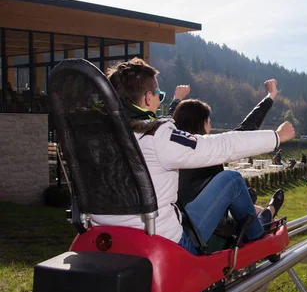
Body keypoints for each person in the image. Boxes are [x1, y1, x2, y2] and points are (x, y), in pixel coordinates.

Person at [89, 58, 295, 255]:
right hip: (164, 242)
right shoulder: (158, 137)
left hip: (108, 237)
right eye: (159, 95)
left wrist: (176, 101)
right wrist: (276, 137)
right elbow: (225, 144)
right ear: (148, 98)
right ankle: (258, 239)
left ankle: (262, 218)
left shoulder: (96, 140)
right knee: (231, 179)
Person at [172, 80, 284, 247]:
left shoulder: (169, 146)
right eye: (208, 121)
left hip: (179, 226)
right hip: (212, 236)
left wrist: (176, 100)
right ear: (203, 124)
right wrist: (270, 96)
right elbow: (245, 130)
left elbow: (165, 121)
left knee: (246, 201)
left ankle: (264, 208)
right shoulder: (208, 149)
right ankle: (270, 211)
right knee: (246, 203)